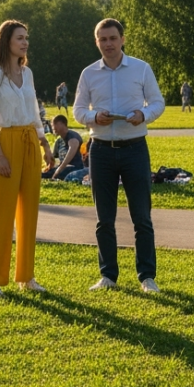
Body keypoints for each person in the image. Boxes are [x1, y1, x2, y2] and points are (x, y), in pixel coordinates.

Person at [74, 18, 165, 292]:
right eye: (103, 39)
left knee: (142, 217)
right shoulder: (89, 73)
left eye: (113, 38)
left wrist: (143, 114)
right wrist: (94, 117)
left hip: (135, 148)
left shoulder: (141, 68)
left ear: (122, 39)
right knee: (104, 219)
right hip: (101, 150)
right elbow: (78, 110)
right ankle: (108, 276)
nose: (108, 44)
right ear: (97, 42)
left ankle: (147, 277)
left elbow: (158, 102)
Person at [0, 20, 53, 296]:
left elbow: (34, 112)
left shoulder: (27, 73)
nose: (25, 42)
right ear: (6, 41)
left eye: (26, 38)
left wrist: (44, 143)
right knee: (0, 213)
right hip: (6, 142)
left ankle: (26, 276)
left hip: (30, 140)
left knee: (29, 211)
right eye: (20, 38)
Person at [43, 115, 84, 180]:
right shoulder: (59, 141)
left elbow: (72, 149)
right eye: (52, 125)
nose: (53, 127)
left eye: (55, 123)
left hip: (75, 168)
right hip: (63, 168)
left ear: (63, 124)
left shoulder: (72, 136)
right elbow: (53, 160)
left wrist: (60, 169)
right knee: (44, 174)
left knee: (62, 173)